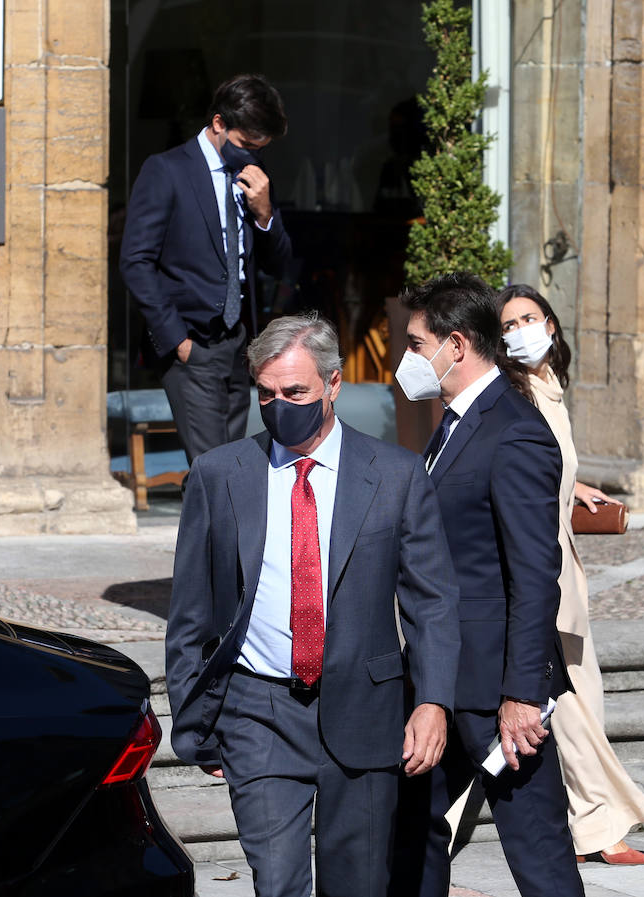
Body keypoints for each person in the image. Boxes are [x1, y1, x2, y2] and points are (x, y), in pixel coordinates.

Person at [165, 313, 460, 897]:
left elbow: (432, 602)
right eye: (267, 394)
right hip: (259, 710)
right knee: (278, 882)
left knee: (357, 885)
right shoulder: (218, 474)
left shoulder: (395, 475)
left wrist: (432, 702)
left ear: (333, 384)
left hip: (366, 708)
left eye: (295, 392)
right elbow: (190, 612)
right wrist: (193, 713)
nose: (280, 406)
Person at [390, 273, 584, 897]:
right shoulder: (451, 425)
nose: (408, 359)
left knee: (537, 851)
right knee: (411, 834)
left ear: (454, 345)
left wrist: (523, 693)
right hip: (439, 679)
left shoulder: (514, 430)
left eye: (416, 344)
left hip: (499, 691)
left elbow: (534, 573)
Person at [498, 283, 644, 865]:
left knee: (579, 692)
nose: (520, 329)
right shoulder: (519, 397)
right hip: (543, 569)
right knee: (570, 700)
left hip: (564, 563)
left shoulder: (549, 388)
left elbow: (544, 473)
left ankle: (595, 821)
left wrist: (572, 487)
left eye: (529, 318)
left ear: (552, 326)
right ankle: (596, 826)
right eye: (509, 322)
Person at [120, 73, 295, 463]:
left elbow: (280, 264)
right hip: (191, 343)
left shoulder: (255, 178)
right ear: (218, 123)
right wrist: (178, 341)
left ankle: (204, 525)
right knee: (213, 468)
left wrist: (265, 214)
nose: (252, 155)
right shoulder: (167, 170)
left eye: (260, 148)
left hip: (238, 345)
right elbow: (136, 261)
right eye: (245, 145)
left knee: (228, 467)